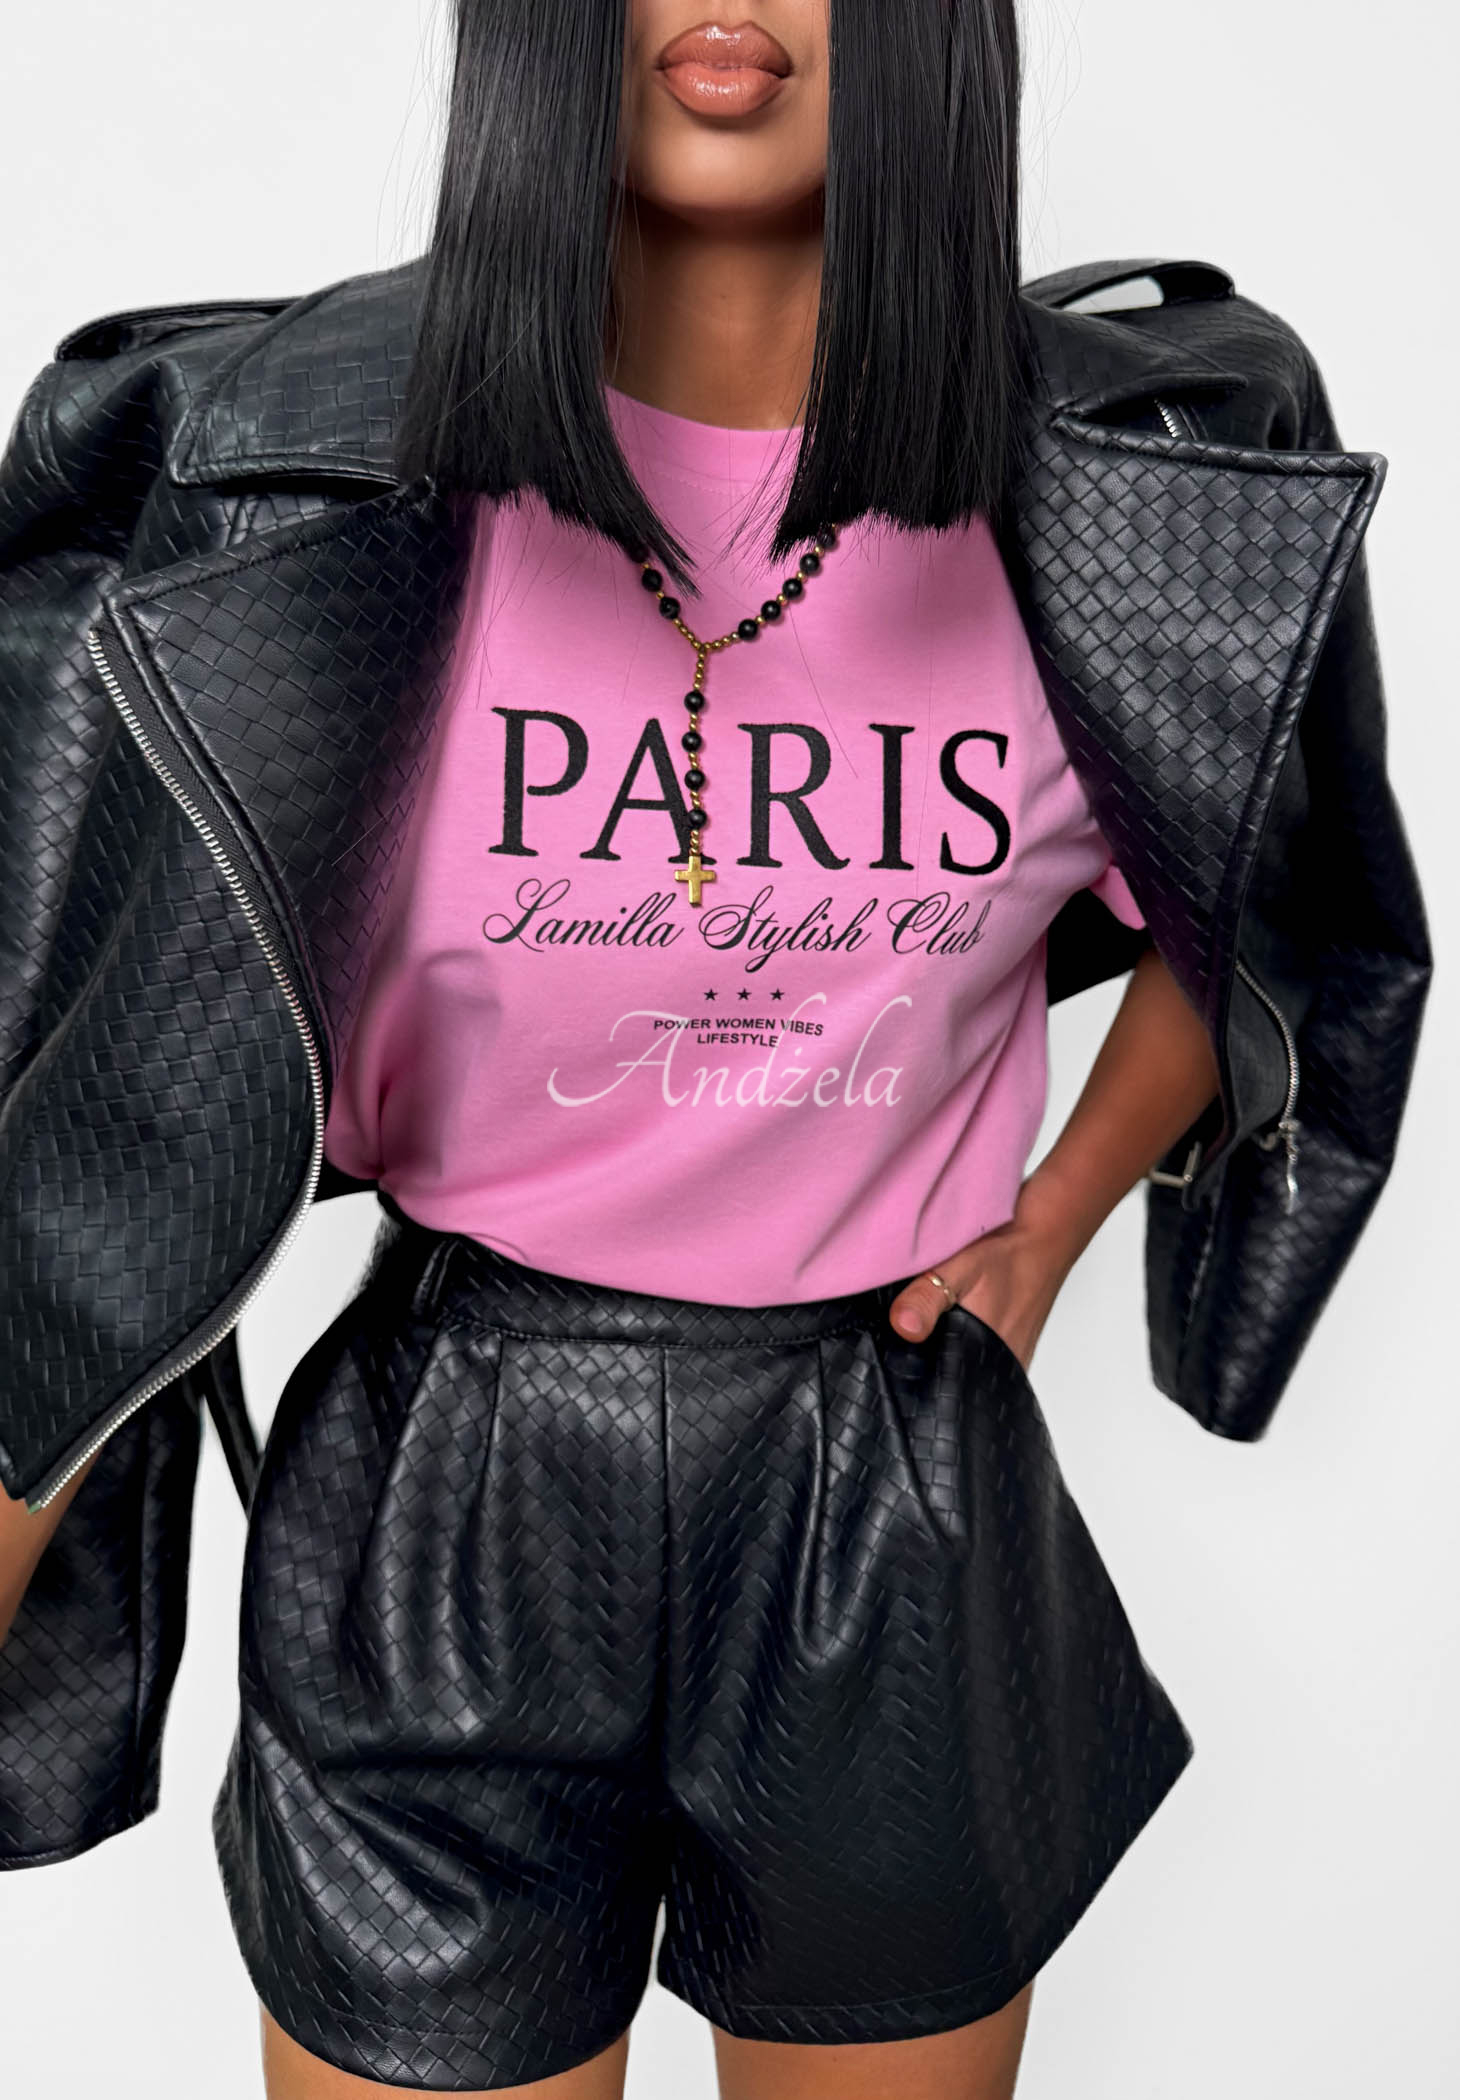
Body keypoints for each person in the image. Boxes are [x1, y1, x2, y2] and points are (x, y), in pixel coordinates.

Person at [0, 4, 1431, 2097]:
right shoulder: (293, 486)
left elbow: (1260, 915)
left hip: (886, 1479)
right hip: (449, 1477)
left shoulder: (1137, 492)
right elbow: (110, 1115)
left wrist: (1049, 1219)